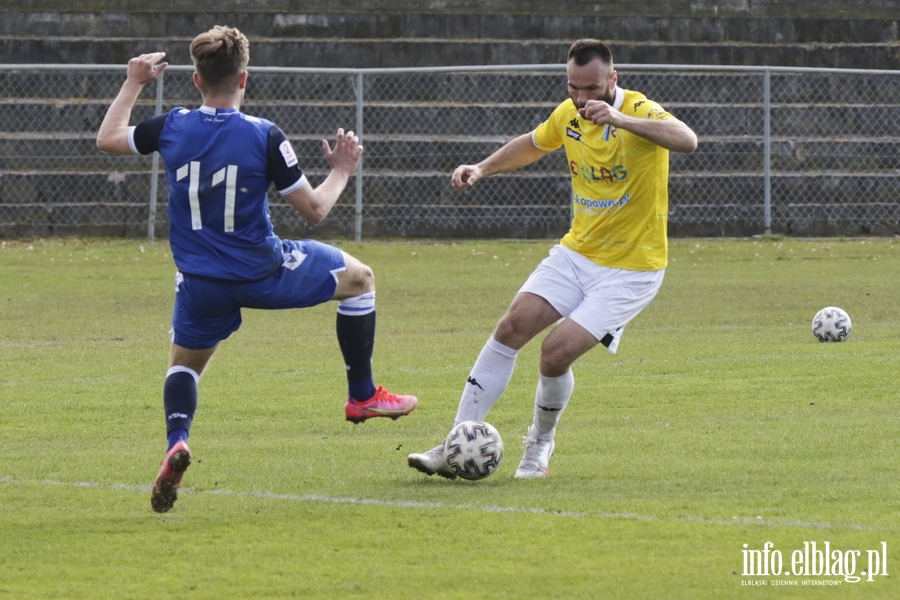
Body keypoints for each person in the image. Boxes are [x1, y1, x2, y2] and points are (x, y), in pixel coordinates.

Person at [97, 26, 417, 513]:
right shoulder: (264, 135)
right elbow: (314, 210)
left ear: (196, 78)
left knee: (184, 365)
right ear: (243, 78)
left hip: (200, 281)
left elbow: (108, 139)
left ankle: (177, 442)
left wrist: (135, 81)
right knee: (360, 279)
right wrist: (342, 170)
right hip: (265, 271)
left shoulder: (172, 126)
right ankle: (362, 395)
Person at [407, 39, 697, 479]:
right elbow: (534, 142)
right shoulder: (569, 114)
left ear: (613, 80)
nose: (581, 99)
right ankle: (454, 444)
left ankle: (539, 447)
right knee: (510, 328)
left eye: (592, 89)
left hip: (631, 269)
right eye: (573, 88)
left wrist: (621, 118)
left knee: (554, 353)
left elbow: (688, 140)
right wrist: (483, 167)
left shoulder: (638, 110)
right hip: (577, 254)